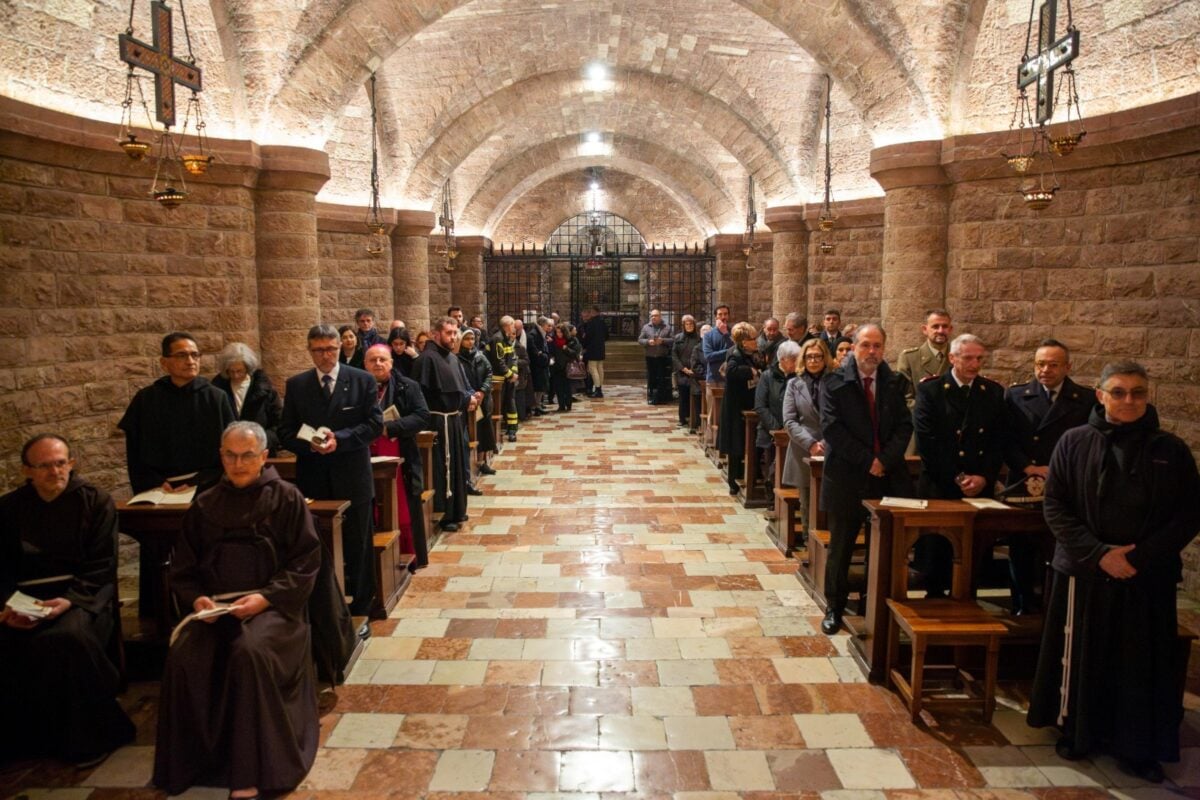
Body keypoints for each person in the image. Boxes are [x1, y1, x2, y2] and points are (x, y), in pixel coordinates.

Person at [1027, 361, 1200, 783]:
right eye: (1118, 392)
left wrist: (1136, 559)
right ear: (1100, 395)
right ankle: (1078, 732)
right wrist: (1100, 553)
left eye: (1137, 392)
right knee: (1084, 655)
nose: (1128, 400)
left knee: (1140, 663)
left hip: (1147, 575)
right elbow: (1056, 507)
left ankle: (1138, 747)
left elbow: (1188, 513)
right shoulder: (1073, 442)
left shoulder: (1170, 449)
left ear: (1147, 396)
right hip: (1085, 571)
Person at [153, 422, 320, 798]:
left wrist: (265, 599)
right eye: (230, 455)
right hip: (217, 610)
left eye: (247, 455)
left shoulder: (287, 498)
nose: (238, 463)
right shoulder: (206, 503)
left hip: (274, 608)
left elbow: (305, 562)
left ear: (263, 457)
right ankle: (192, 762)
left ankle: (252, 769)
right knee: (184, 654)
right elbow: (183, 569)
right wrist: (198, 600)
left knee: (248, 652)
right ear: (221, 457)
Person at [0, 434, 135, 767]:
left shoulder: (95, 502)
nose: (54, 471)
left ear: (71, 463)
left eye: (60, 463)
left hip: (81, 598)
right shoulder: (8, 509)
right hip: (23, 600)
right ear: (26, 471)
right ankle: (22, 742)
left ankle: (88, 738)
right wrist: (7, 606)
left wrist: (69, 600)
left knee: (65, 638)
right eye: (44, 465)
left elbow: (103, 565)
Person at [279, 324, 382, 616]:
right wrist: (310, 443)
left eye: (331, 349)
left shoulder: (362, 380)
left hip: (352, 474)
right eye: (318, 350)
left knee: (358, 543)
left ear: (340, 348)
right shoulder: (298, 385)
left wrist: (342, 439)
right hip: (314, 476)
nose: (325, 356)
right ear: (310, 351)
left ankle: (363, 604)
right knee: (316, 545)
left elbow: (374, 425)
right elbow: (285, 430)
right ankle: (324, 607)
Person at [818, 324, 914, 635]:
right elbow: (832, 429)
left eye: (877, 346)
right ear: (854, 347)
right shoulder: (834, 383)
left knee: (881, 546)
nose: (872, 352)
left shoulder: (894, 382)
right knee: (842, 546)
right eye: (866, 346)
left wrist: (884, 460)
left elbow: (904, 426)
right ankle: (834, 605)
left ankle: (871, 602)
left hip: (885, 476)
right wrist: (868, 460)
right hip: (847, 475)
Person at [913, 333, 1008, 597]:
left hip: (978, 487)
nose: (974, 364)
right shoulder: (931, 390)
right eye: (968, 358)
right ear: (953, 358)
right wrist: (957, 477)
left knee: (972, 556)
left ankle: (968, 601)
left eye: (979, 358)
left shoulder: (992, 392)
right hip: (940, 484)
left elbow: (997, 441)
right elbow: (927, 441)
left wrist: (984, 478)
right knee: (938, 556)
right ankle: (934, 606)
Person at [1001, 338, 1092, 614]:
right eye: (1040, 364)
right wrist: (1028, 467)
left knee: (1057, 547)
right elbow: (1004, 438)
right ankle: (1023, 603)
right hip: (1024, 481)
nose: (1045, 370)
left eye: (1053, 365)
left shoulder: (1085, 399)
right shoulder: (1016, 395)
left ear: (1067, 367)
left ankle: (1056, 606)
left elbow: (1089, 443)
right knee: (1021, 547)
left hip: (1064, 484)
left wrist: (1059, 469)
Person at [119, 331, 235, 494]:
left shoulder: (216, 398)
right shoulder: (146, 400)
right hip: (157, 489)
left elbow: (231, 449)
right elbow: (135, 453)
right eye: (182, 355)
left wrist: (199, 482)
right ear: (164, 362)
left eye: (195, 355)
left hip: (207, 488)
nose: (190, 361)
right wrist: (155, 483)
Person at [364, 344, 431, 568]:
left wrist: (390, 428)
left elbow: (422, 416)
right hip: (365, 457)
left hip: (401, 456)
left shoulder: (407, 386)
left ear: (391, 363)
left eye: (383, 359)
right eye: (373, 360)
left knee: (402, 508)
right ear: (365, 364)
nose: (378, 364)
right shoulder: (355, 388)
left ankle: (408, 556)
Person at [414, 318, 480, 532]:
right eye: (449, 333)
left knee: (457, 464)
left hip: (453, 420)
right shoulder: (427, 360)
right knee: (444, 467)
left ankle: (457, 509)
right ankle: (445, 514)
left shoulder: (452, 357)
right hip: (437, 422)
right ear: (436, 334)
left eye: (455, 333)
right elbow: (422, 395)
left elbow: (459, 389)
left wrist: (467, 400)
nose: (453, 337)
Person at [783, 338, 835, 531]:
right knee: (807, 499)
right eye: (809, 357)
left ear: (825, 358)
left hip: (832, 446)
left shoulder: (834, 382)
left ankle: (829, 543)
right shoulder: (794, 384)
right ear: (803, 359)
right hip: (803, 448)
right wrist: (812, 443)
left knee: (831, 499)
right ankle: (808, 541)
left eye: (818, 357)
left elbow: (841, 418)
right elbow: (789, 421)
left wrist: (826, 443)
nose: (813, 361)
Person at [212, 342, 283, 454]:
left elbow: (279, 423)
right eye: (231, 371)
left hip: (259, 452)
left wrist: (261, 442)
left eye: (239, 371)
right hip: (228, 453)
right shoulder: (216, 390)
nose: (235, 375)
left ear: (248, 368)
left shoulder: (264, 390)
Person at [718, 322, 760, 496]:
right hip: (735, 407)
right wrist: (752, 371)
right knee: (736, 445)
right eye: (752, 339)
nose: (756, 341)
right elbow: (732, 371)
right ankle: (734, 482)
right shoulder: (735, 354)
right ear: (744, 341)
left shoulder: (748, 354)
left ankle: (746, 475)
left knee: (743, 442)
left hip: (745, 404)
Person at [755, 339, 799, 502]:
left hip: (794, 432)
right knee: (773, 468)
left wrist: (792, 428)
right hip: (770, 432)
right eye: (793, 359)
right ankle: (772, 500)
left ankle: (789, 502)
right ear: (782, 360)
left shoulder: (799, 376)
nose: (797, 363)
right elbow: (760, 406)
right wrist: (777, 429)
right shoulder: (767, 376)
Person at [895, 309, 953, 410]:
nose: (941, 331)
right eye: (935, 326)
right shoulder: (910, 358)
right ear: (925, 329)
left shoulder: (959, 356)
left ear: (950, 329)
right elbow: (904, 398)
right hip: (921, 420)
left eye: (945, 326)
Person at [458, 328, 497, 475]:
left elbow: (489, 373)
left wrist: (482, 390)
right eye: (467, 339)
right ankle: (469, 463)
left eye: (472, 339)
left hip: (481, 399)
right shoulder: (457, 358)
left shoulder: (480, 356)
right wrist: (470, 394)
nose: (470, 342)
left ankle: (481, 461)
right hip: (467, 399)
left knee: (483, 430)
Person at [487, 316, 520, 442]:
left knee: (510, 403)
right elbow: (498, 361)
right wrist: (510, 375)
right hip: (498, 380)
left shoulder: (506, 338)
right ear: (507, 325)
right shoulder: (498, 339)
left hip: (508, 379)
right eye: (512, 325)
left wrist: (514, 373)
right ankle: (498, 430)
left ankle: (512, 430)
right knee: (498, 405)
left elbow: (512, 358)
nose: (514, 327)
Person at [672, 315, 703, 431]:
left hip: (695, 372)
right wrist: (683, 368)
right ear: (684, 326)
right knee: (683, 396)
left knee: (695, 397)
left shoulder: (699, 339)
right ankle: (682, 419)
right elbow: (674, 356)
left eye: (691, 324)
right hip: (682, 372)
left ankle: (694, 419)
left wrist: (694, 369)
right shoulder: (678, 338)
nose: (689, 326)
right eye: (687, 324)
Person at [639, 309, 673, 405]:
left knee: (661, 377)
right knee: (651, 377)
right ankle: (651, 396)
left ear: (660, 316)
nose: (654, 317)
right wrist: (648, 341)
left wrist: (663, 341)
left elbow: (673, 340)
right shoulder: (646, 327)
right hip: (650, 356)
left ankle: (661, 397)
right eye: (652, 316)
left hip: (662, 356)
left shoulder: (667, 327)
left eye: (656, 315)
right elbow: (640, 339)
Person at [549, 321, 581, 412]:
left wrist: (566, 348)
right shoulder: (553, 341)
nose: (559, 334)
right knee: (558, 387)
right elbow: (551, 352)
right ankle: (561, 405)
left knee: (567, 387)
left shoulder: (571, 340)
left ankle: (568, 405)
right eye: (557, 332)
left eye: (560, 332)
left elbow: (575, 353)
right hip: (557, 367)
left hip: (567, 367)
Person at [702, 304, 733, 383]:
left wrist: (726, 334)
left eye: (725, 314)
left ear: (728, 316)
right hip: (713, 379)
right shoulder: (708, 335)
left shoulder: (734, 333)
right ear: (716, 317)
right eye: (720, 314)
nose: (723, 317)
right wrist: (729, 351)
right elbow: (708, 356)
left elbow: (737, 352)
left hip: (731, 378)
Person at [581, 306, 608, 398]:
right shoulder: (602, 322)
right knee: (600, 368)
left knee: (593, 369)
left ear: (594, 312)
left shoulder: (591, 323)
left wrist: (584, 345)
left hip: (592, 349)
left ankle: (597, 389)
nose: (590, 314)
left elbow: (587, 337)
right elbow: (607, 336)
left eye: (591, 312)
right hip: (601, 348)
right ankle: (599, 388)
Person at [527, 316, 552, 415]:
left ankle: (538, 405)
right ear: (542, 325)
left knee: (541, 386)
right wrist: (543, 356)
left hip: (542, 363)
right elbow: (534, 351)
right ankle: (536, 406)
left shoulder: (541, 333)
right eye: (547, 325)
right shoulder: (533, 334)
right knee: (538, 386)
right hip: (537, 365)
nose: (549, 327)